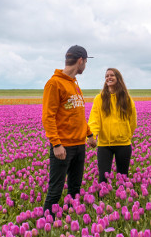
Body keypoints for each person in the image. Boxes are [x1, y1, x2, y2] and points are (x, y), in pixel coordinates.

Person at [42, 45, 97, 217]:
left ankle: (73, 222)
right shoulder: (54, 83)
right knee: (55, 190)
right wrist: (56, 144)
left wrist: (89, 134)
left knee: (75, 188)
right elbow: (48, 117)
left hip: (79, 145)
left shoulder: (75, 84)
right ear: (80, 61)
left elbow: (79, 115)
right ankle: (46, 224)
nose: (85, 66)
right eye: (86, 62)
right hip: (63, 147)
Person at [88, 68, 137, 183]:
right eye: (106, 76)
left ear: (118, 78)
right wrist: (92, 135)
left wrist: (127, 135)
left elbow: (132, 121)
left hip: (123, 144)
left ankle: (123, 199)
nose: (108, 78)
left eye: (112, 75)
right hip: (105, 145)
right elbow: (94, 120)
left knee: (123, 177)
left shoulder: (127, 99)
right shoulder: (99, 99)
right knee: (103, 178)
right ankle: (102, 200)